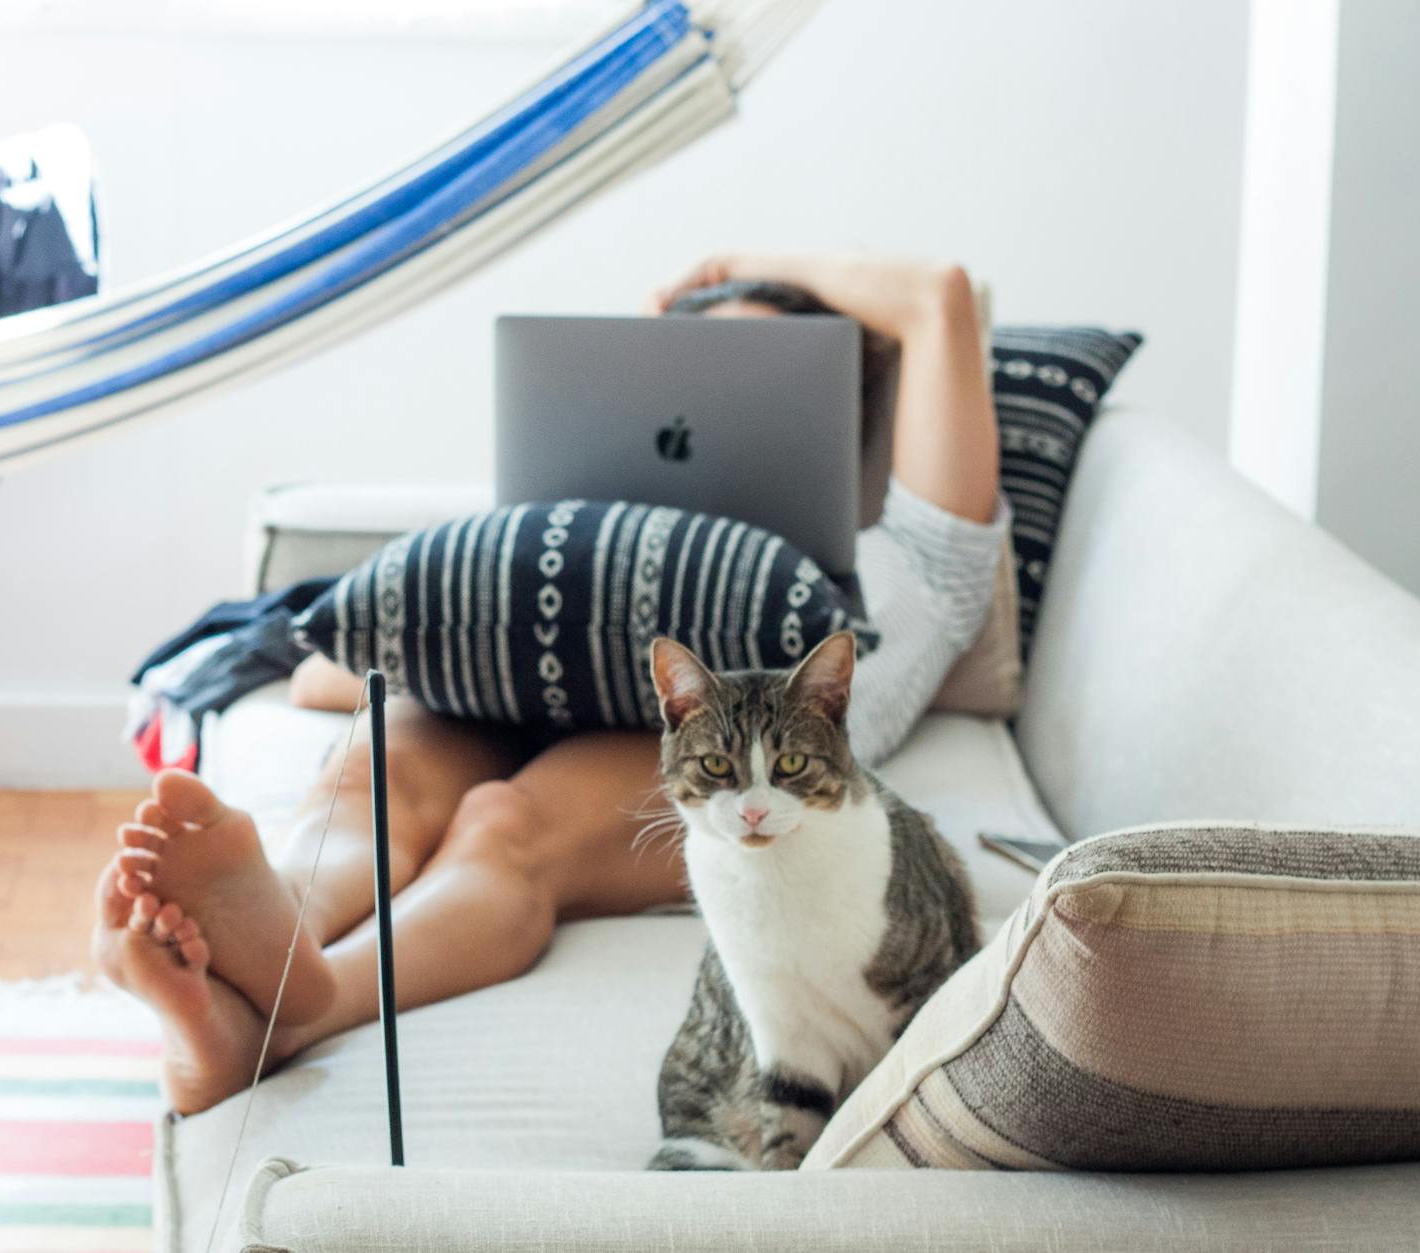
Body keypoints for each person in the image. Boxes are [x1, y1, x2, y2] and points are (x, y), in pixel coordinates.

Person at [90, 253, 1010, 1113]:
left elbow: (942, 296)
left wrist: (750, 267)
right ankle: (280, 909)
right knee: (376, 773)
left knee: (506, 825)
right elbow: (319, 677)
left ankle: (297, 1010)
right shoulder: (581, 545)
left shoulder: (903, 570)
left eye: (751, 382)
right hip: (532, 692)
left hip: (720, 746)